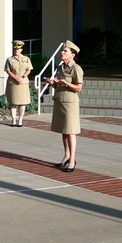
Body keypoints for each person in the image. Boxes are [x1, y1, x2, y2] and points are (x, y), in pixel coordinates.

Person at [43, 40, 83, 172]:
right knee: (63, 131)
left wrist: (66, 83)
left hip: (70, 104)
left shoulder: (76, 69)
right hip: (60, 101)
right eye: (63, 50)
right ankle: (66, 156)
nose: (62, 52)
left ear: (72, 55)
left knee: (71, 132)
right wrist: (51, 83)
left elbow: (78, 88)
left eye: (65, 51)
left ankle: (72, 160)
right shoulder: (61, 67)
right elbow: (58, 85)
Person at [4, 39, 33, 127]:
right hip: (13, 82)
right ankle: (13, 120)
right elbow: (8, 70)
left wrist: (22, 77)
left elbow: (29, 69)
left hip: (23, 83)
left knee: (22, 102)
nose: (16, 51)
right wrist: (16, 77)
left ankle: (20, 120)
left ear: (21, 49)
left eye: (18, 49)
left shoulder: (26, 59)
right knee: (13, 102)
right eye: (15, 49)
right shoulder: (10, 59)